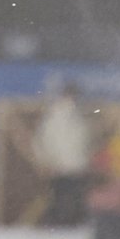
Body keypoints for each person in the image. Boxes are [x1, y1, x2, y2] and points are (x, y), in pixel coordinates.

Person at [32, 81, 93, 225]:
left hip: (75, 169)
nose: (73, 99)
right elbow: (42, 142)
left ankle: (67, 226)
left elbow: (83, 143)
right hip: (60, 168)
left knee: (72, 202)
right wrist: (46, 162)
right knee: (62, 201)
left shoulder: (80, 117)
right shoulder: (55, 117)